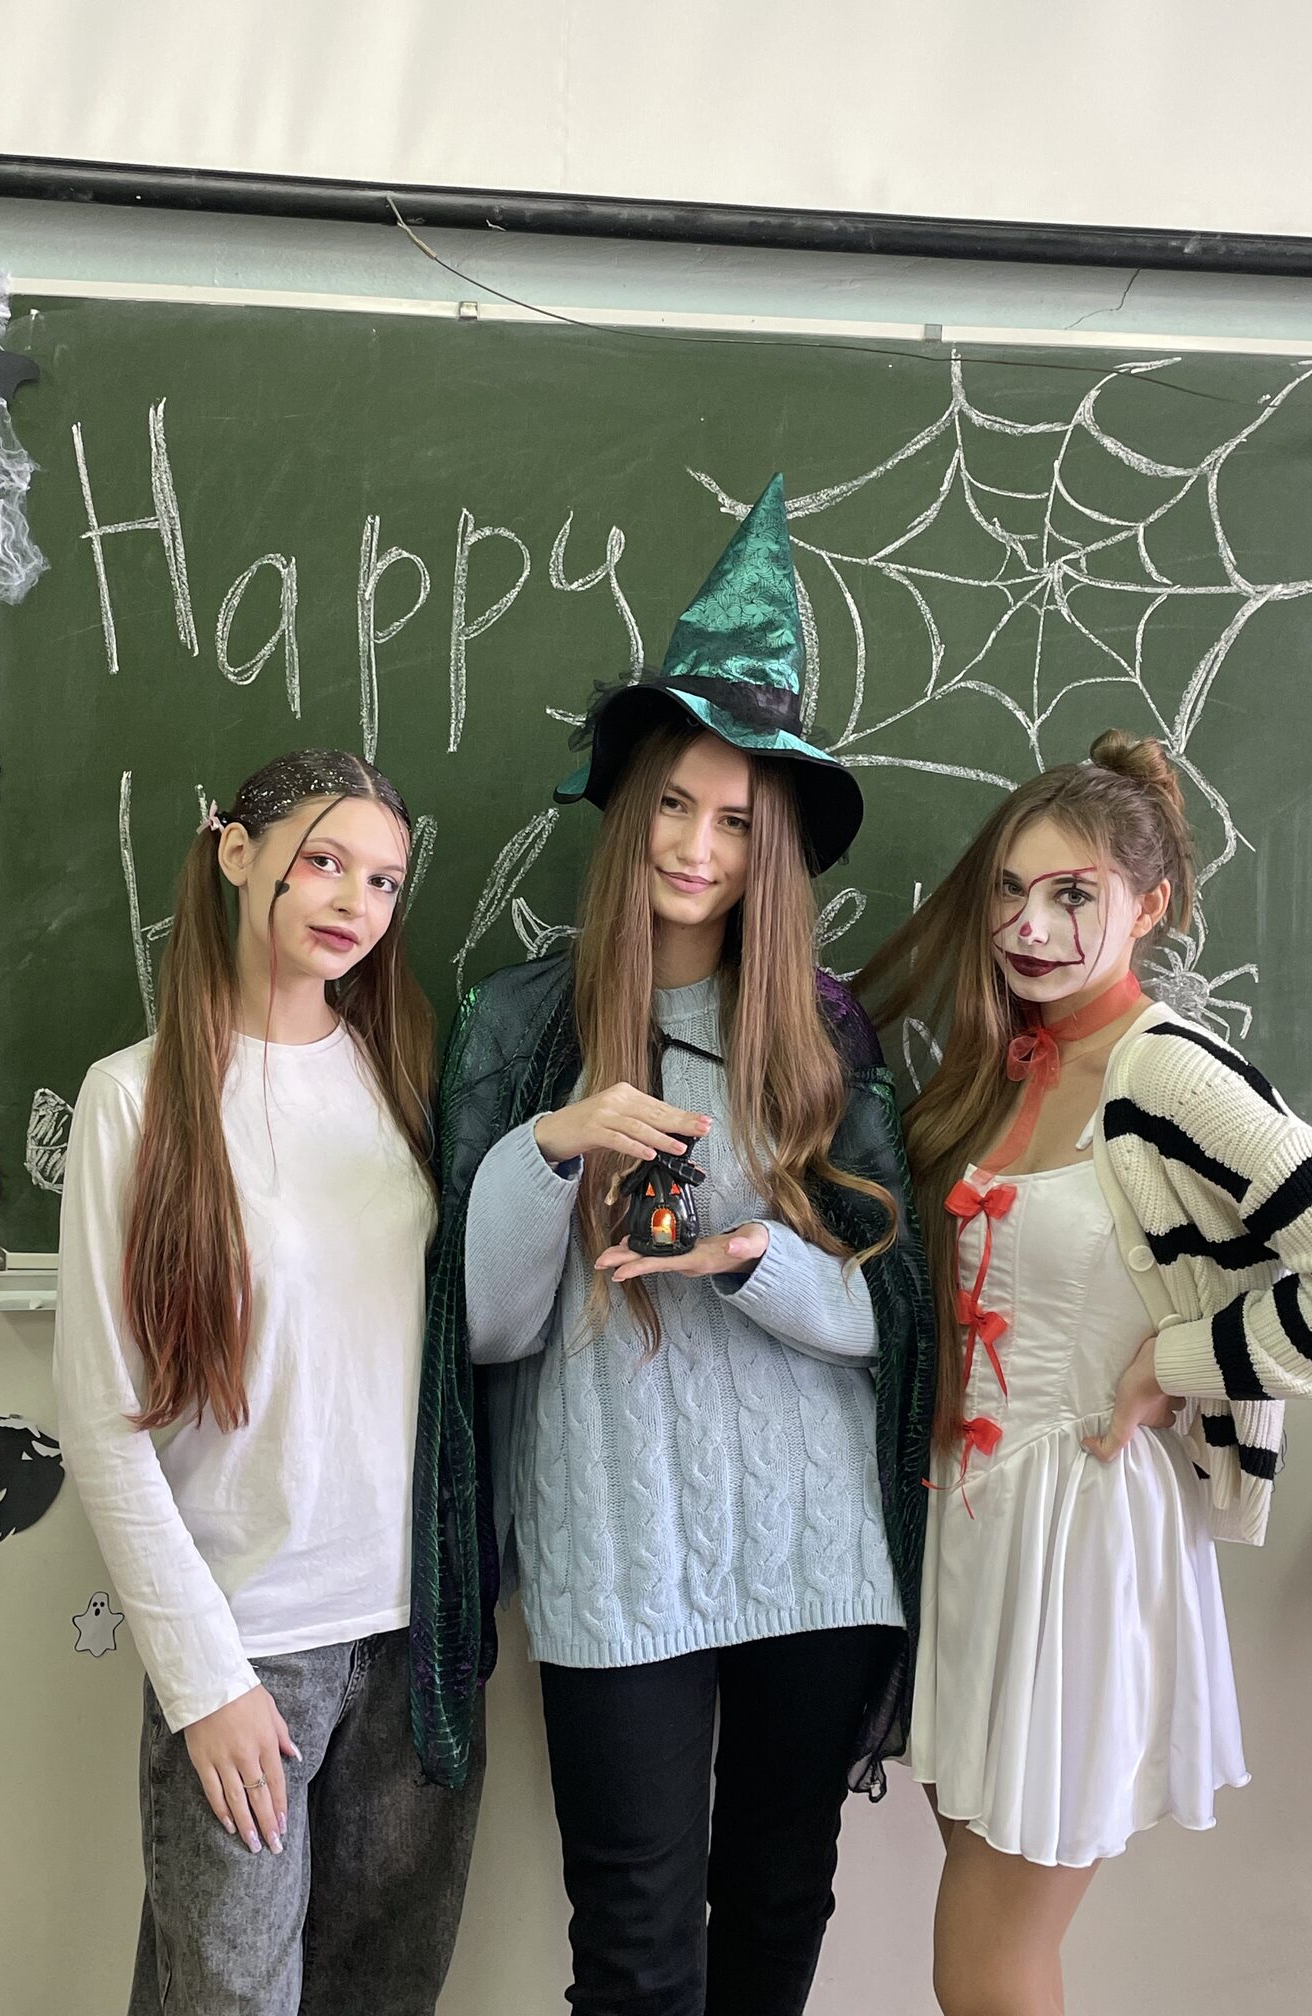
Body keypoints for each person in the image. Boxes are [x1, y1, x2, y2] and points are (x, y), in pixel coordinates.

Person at [410, 476, 937, 2016]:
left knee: (776, 1914)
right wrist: (550, 1146)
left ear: (774, 847)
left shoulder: (825, 1038)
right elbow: (483, 1329)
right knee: (633, 1947)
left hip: (813, 1554)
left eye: (736, 820)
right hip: (612, 1549)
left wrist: (753, 1259)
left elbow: (889, 1325)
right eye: (673, 805)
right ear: (626, 805)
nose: (698, 845)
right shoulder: (522, 1025)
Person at [854, 730, 1312, 2016]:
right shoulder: (1004, 1066)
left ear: (1149, 905)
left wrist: (1183, 1361)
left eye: (1074, 895)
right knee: (984, 1927)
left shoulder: (1168, 1071)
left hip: (1081, 1538)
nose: (1030, 927)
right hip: (973, 1534)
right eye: (1011, 891)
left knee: (985, 1963)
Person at [54, 750, 482, 2016]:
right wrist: (205, 1680)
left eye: (386, 880)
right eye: (326, 861)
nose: (356, 900)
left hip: (416, 1642)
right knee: (227, 1998)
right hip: (252, 1641)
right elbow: (101, 1417)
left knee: (382, 1995)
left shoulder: (404, 1075)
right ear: (237, 854)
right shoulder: (135, 1099)